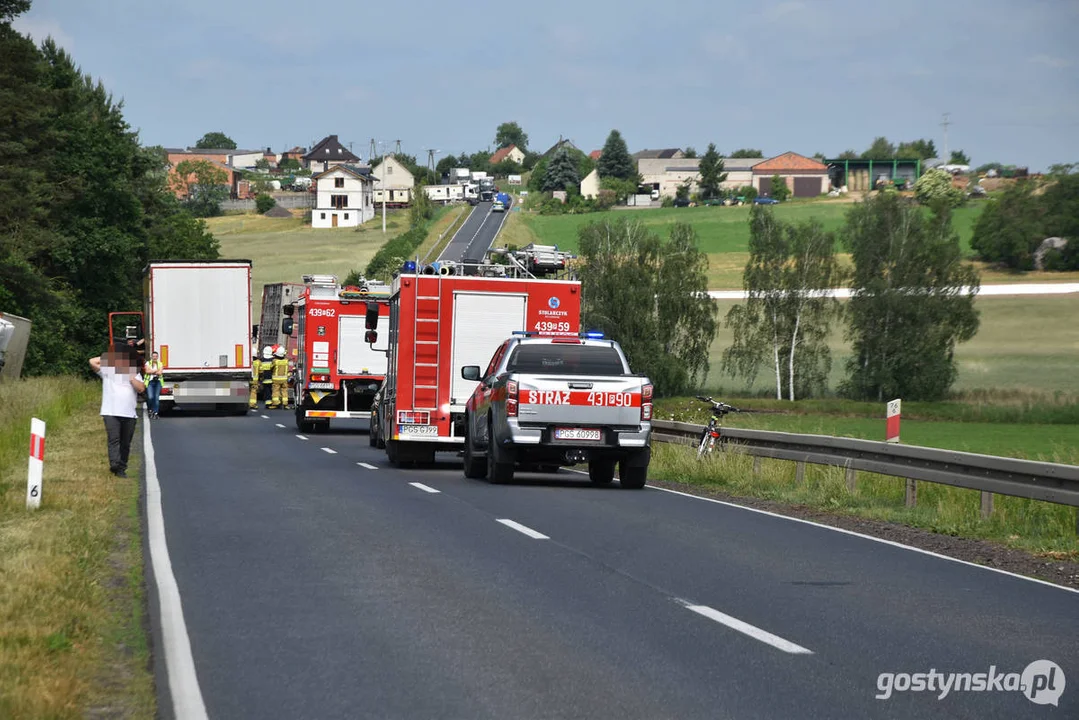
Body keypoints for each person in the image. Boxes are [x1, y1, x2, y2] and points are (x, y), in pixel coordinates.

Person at [89, 345, 145, 478]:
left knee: (125, 442)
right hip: (110, 412)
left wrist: (131, 377)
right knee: (113, 439)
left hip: (129, 413)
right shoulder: (107, 370)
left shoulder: (134, 372)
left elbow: (141, 389)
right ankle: (114, 464)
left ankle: (122, 467)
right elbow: (92, 361)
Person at [269, 345, 290, 409]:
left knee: (276, 391)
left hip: (276, 379)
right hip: (284, 379)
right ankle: (285, 404)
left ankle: (276, 404)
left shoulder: (275, 361)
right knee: (284, 391)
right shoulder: (286, 361)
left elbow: (270, 367)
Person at [143, 350, 163, 418]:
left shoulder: (160, 363)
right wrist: (156, 370)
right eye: (153, 356)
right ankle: (150, 409)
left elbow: (160, 373)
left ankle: (155, 412)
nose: (154, 357)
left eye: (156, 356)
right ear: (151, 357)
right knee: (150, 397)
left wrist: (152, 371)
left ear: (157, 357)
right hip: (150, 382)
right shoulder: (148, 363)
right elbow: (147, 371)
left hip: (158, 382)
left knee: (156, 398)